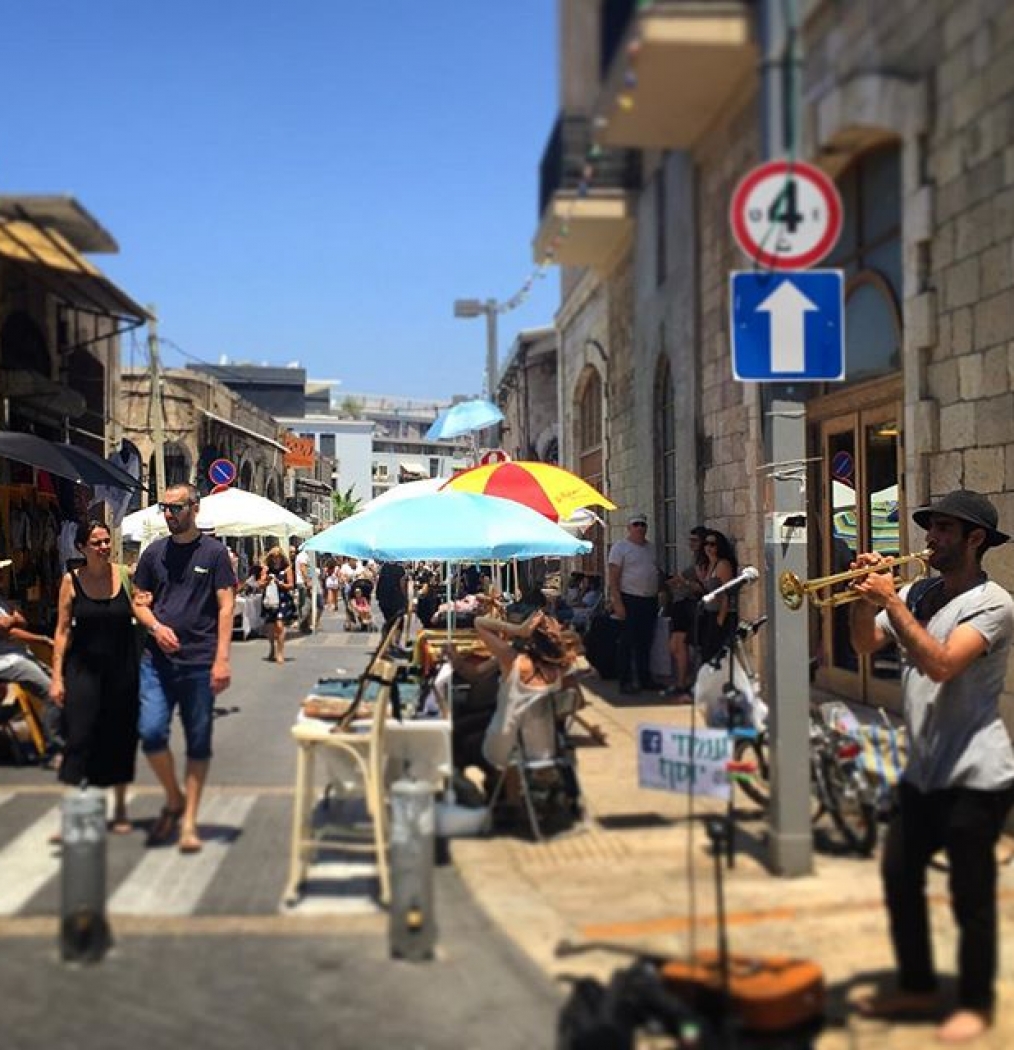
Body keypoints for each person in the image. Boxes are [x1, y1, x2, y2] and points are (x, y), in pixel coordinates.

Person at [849, 490, 1014, 1044]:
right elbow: (865, 644)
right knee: (899, 877)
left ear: (975, 540)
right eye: (931, 527)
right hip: (923, 769)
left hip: (976, 772)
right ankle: (918, 984)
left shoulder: (994, 604)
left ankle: (973, 1001)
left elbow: (943, 665)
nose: (931, 537)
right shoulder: (919, 592)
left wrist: (890, 601)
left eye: (945, 529)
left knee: (970, 895)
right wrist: (863, 600)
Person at [132, 483, 235, 854]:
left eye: (176, 508)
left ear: (195, 508)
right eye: (165, 508)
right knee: (151, 732)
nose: (169, 515)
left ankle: (188, 820)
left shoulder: (215, 553)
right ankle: (173, 797)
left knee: (197, 742)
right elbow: (139, 602)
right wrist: (155, 627)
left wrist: (222, 658)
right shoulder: (153, 554)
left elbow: (226, 606)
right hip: (157, 661)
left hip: (200, 660)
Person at [49, 520, 142, 832]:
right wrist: (57, 678)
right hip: (82, 669)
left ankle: (119, 810)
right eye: (96, 543)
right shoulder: (70, 581)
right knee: (79, 736)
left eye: (106, 541)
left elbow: (142, 607)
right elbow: (61, 631)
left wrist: (147, 607)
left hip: (121, 669)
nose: (104, 547)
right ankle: (74, 814)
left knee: (119, 737)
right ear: (81, 547)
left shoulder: (126, 576)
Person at [474, 609, 578, 772]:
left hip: (504, 749)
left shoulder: (513, 660)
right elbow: (574, 703)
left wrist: (518, 630)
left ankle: (510, 790)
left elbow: (479, 622)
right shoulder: (561, 670)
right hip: (544, 752)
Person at [0, 578, 63, 765]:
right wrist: (13, 620)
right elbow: (5, 628)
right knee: (52, 692)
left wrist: (40, 638)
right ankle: (54, 749)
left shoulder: (2, 601)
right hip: (7, 661)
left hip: (16, 654)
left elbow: (20, 625)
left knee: (59, 683)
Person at [607, 512, 661, 694]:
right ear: (629, 528)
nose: (640, 528)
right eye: (636, 525)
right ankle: (625, 681)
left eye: (642, 525)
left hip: (649, 600)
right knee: (627, 642)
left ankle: (645, 679)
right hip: (629, 598)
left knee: (645, 642)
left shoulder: (651, 548)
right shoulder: (620, 548)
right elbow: (613, 577)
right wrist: (617, 602)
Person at [663, 526, 710, 699]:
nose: (691, 543)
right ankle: (681, 681)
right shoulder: (696, 560)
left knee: (680, 645)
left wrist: (685, 582)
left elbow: (702, 587)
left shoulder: (703, 563)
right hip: (680, 604)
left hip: (690, 605)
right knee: (674, 646)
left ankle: (682, 682)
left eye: (695, 540)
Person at [697, 529, 738, 663]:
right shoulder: (709, 565)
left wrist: (721, 617)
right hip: (708, 613)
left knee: (714, 652)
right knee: (705, 652)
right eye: (706, 544)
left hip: (720, 614)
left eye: (712, 544)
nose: (708, 547)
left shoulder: (723, 565)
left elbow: (726, 592)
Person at [259, 546, 297, 664]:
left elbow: (291, 585)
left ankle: (280, 652)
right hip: (269, 600)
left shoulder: (287, 569)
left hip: (282, 599)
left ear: (281, 557)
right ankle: (272, 647)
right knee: (270, 628)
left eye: (278, 557)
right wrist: (266, 581)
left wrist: (280, 584)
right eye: (274, 557)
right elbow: (260, 584)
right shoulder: (266, 569)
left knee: (280, 625)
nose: (276, 559)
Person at [376, 560, 407, 634]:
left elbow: (379, 581)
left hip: (383, 600)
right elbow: (402, 585)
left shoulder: (384, 567)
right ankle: (395, 641)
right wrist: (405, 598)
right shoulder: (400, 569)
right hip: (396, 600)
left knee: (389, 620)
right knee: (399, 621)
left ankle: (389, 639)